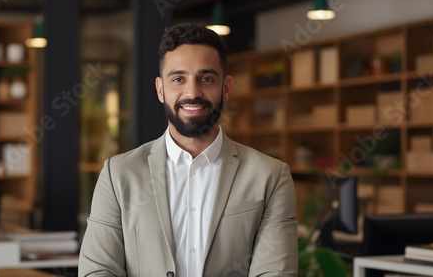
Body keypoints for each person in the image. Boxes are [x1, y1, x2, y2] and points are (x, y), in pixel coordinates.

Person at [79, 23, 298, 277]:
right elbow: (98, 270)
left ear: (226, 88)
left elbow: (274, 273)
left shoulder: (270, 176)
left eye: (206, 79)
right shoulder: (118, 175)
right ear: (161, 89)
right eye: (178, 79)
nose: (192, 92)